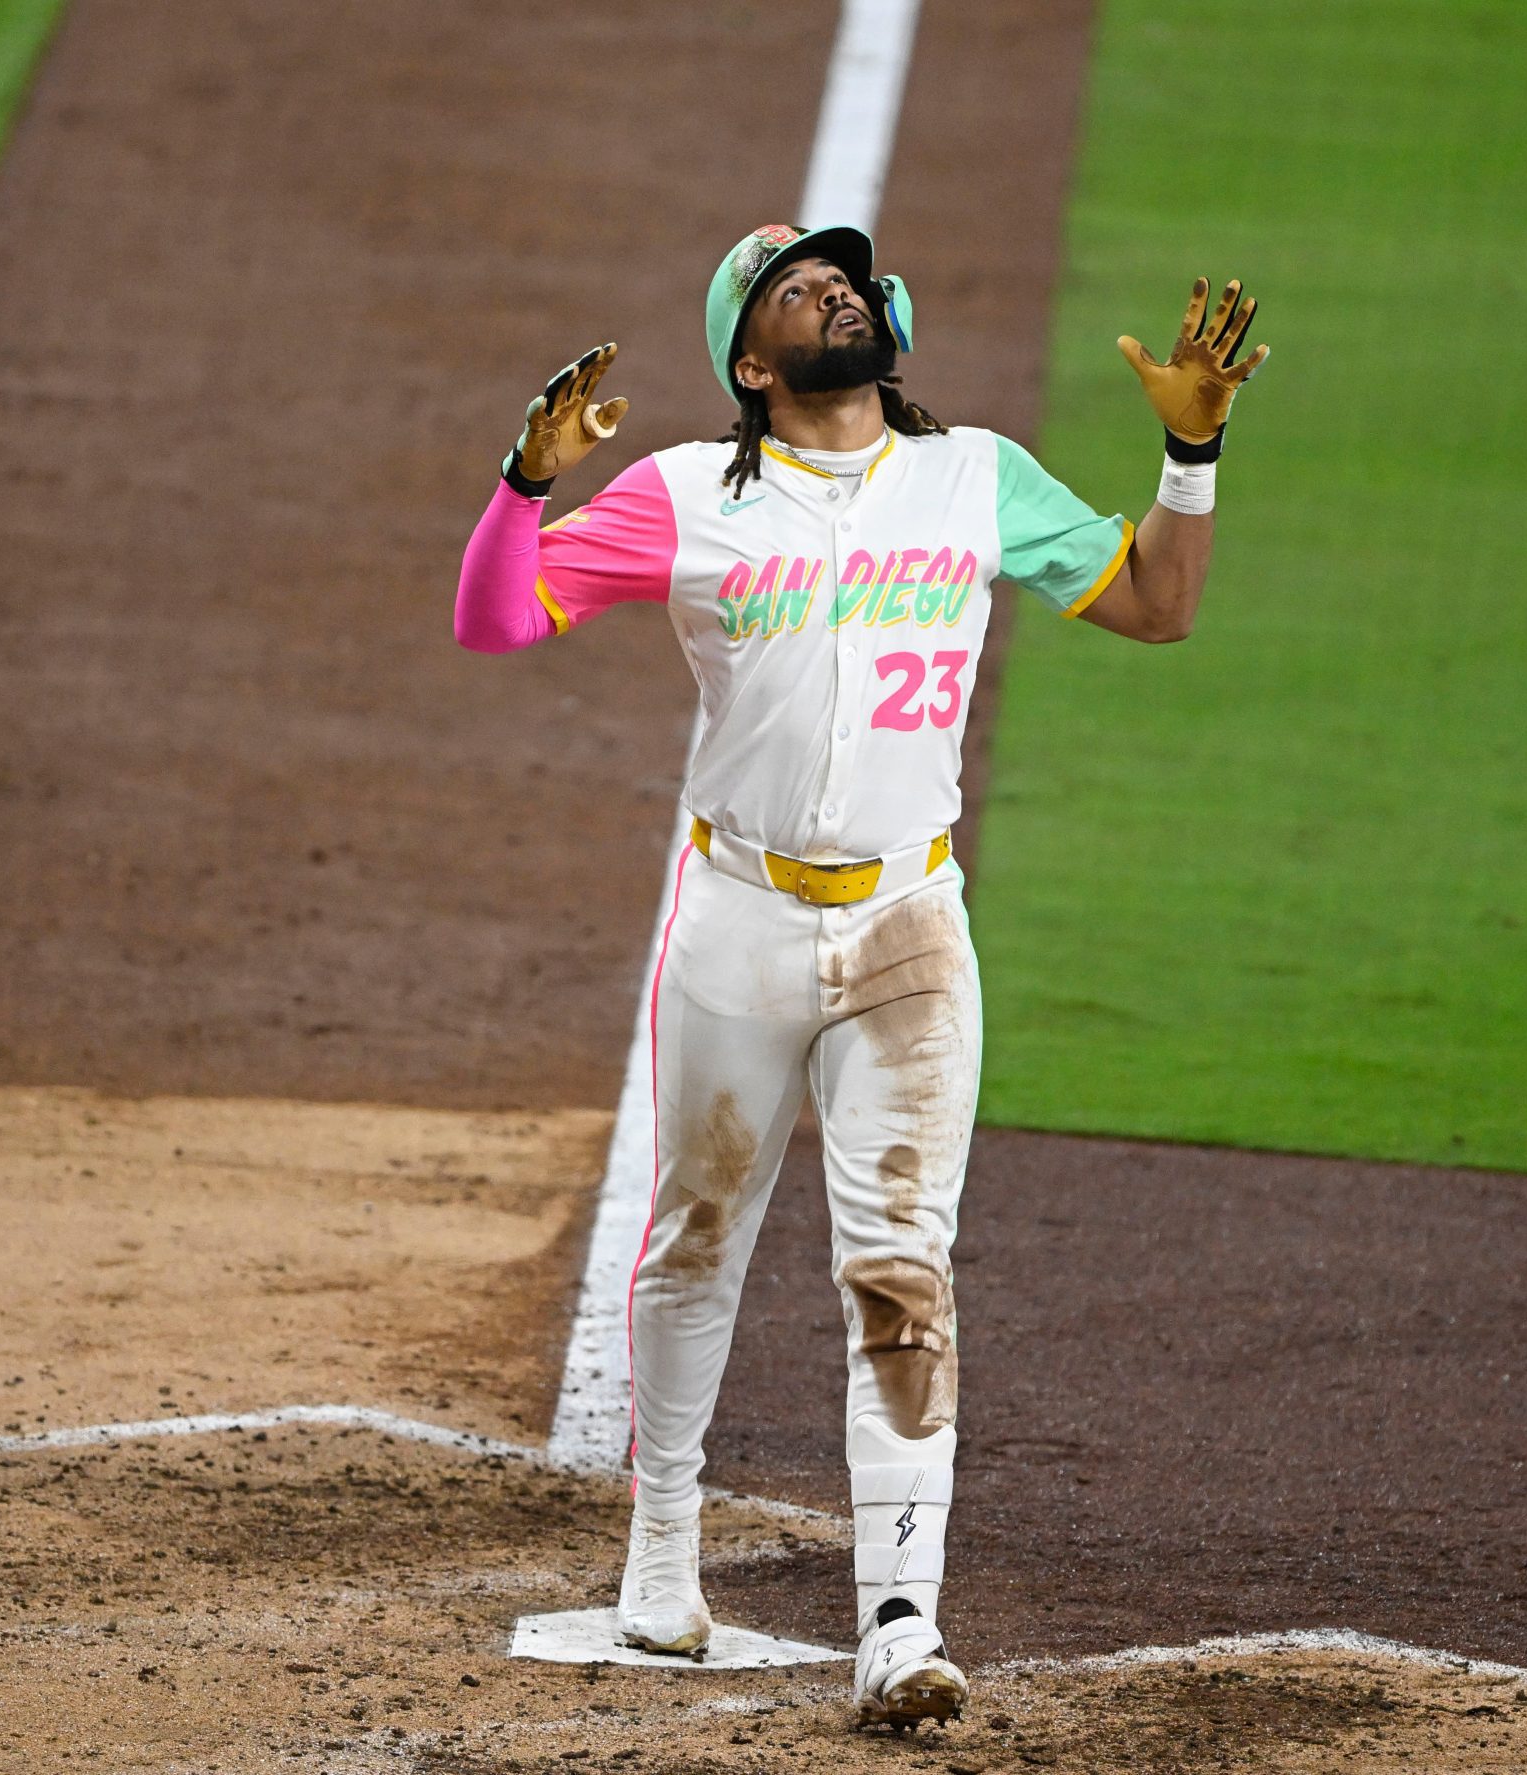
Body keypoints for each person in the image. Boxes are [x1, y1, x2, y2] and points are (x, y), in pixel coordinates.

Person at [451, 222, 1265, 1728]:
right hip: (736, 925)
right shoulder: (685, 495)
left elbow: (1161, 602)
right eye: (792, 289)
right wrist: (527, 477)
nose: (834, 288)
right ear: (752, 364)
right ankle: (663, 1546)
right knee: (695, 1241)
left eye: (844, 275)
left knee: (902, 1269)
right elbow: (494, 617)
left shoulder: (979, 479)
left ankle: (902, 1620)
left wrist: (1189, 455)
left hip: (908, 933)